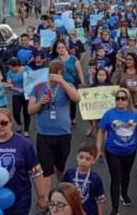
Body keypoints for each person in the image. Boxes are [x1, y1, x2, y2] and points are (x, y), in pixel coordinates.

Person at [0, 108, 48, 215]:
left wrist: (42, 197)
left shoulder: (24, 144)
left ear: (10, 123)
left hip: (20, 200)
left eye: (4, 123)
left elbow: (36, 172)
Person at [28, 61, 81, 200]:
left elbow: (77, 98)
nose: (54, 78)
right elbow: (30, 110)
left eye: (57, 75)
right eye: (52, 75)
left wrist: (62, 82)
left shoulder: (67, 86)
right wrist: (41, 103)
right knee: (46, 170)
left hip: (63, 135)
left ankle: (62, 190)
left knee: (60, 168)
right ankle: (46, 201)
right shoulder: (38, 88)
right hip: (44, 135)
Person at [96, 88, 137, 215]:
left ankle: (124, 194)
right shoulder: (109, 114)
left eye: (123, 98)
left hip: (130, 150)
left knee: (126, 175)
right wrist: (99, 149)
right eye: (117, 98)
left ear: (128, 99)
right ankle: (115, 208)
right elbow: (101, 132)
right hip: (112, 150)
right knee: (115, 178)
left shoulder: (136, 114)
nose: (120, 101)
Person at [63, 143, 106, 215]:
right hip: (72, 210)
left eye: (88, 159)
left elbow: (100, 199)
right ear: (77, 157)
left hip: (90, 211)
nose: (84, 161)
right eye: (81, 157)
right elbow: (63, 193)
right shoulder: (69, 174)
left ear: (94, 160)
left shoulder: (96, 178)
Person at [52, 40, 85, 126]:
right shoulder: (55, 61)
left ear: (66, 48)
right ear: (56, 50)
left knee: (72, 102)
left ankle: (73, 117)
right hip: (59, 85)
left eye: (62, 47)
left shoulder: (73, 59)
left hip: (72, 84)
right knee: (61, 101)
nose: (61, 49)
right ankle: (63, 117)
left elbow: (79, 71)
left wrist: (82, 82)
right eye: (59, 48)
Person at [6, 58, 32, 137]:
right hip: (16, 94)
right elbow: (9, 85)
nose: (10, 69)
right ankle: (19, 124)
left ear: (17, 66)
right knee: (16, 113)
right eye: (9, 68)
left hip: (27, 94)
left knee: (26, 113)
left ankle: (26, 130)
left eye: (11, 68)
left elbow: (34, 78)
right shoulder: (10, 73)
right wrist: (17, 89)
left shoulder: (27, 69)